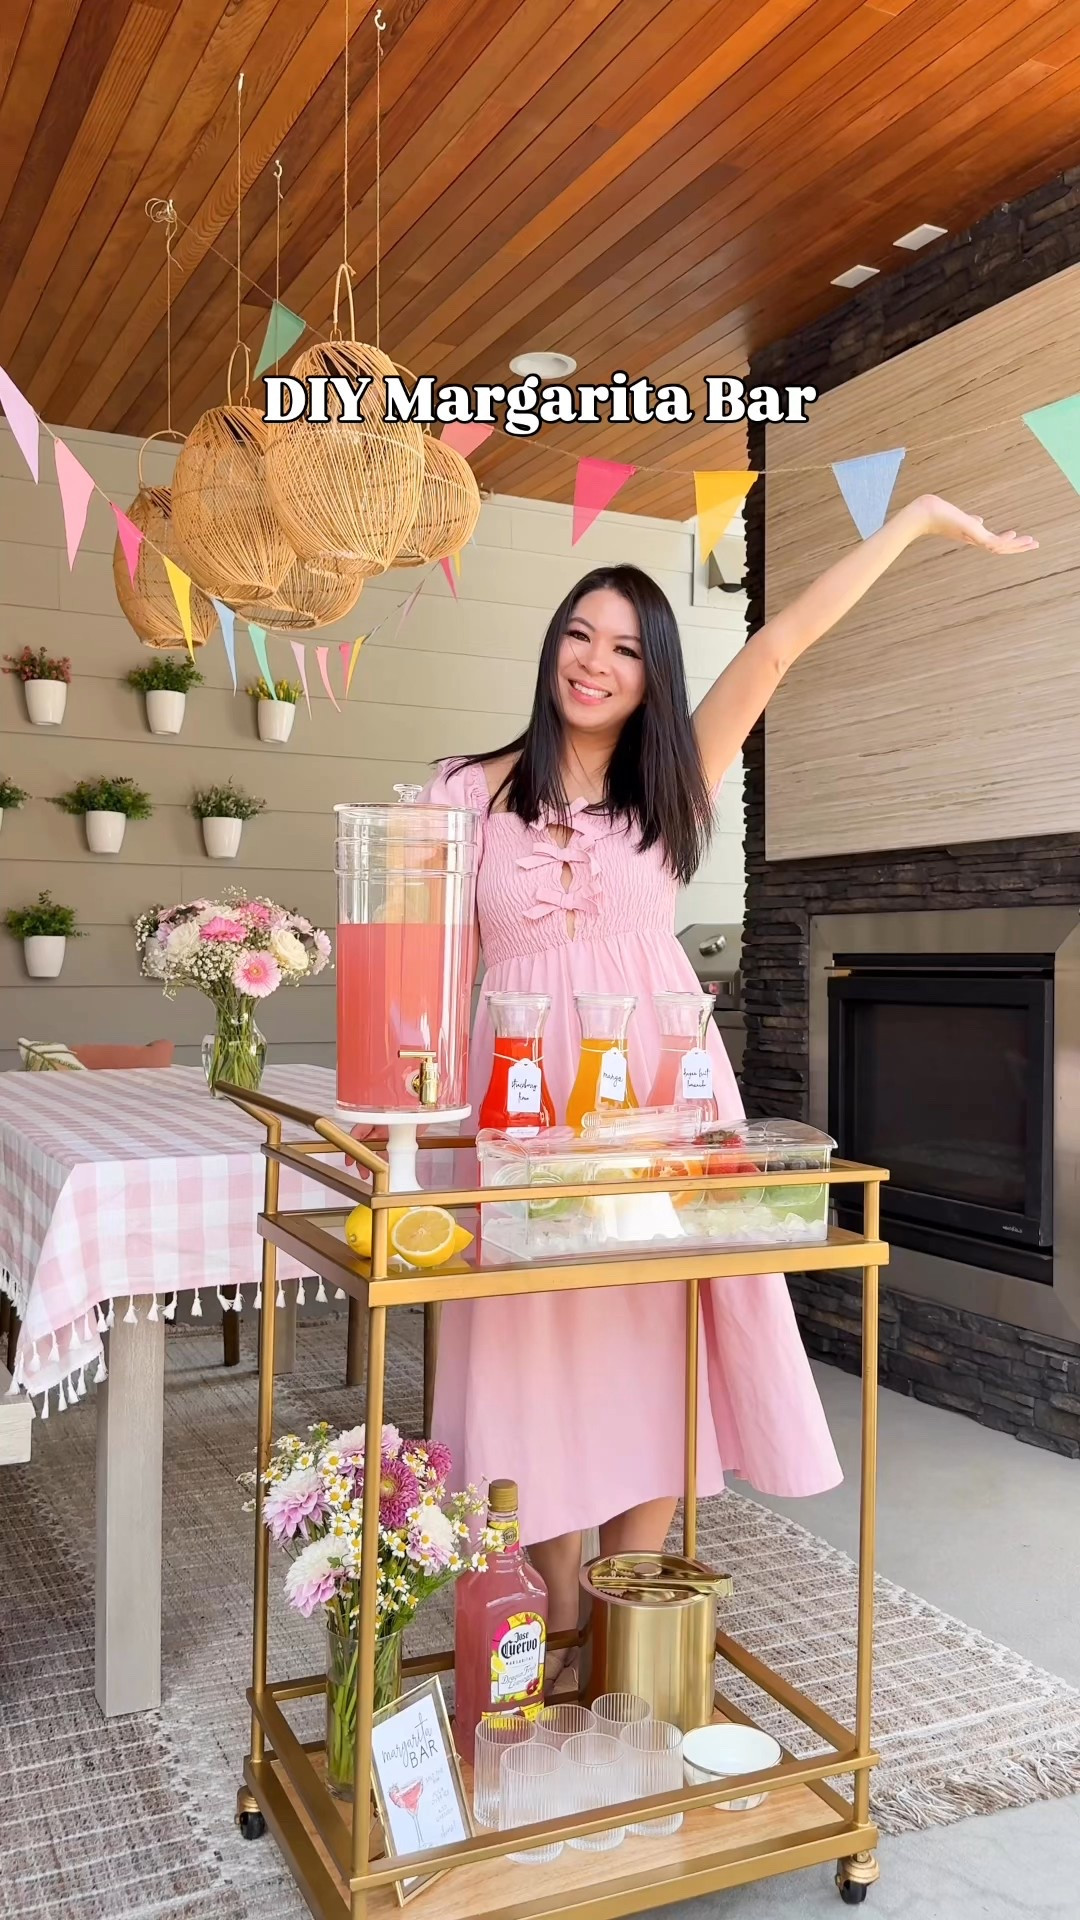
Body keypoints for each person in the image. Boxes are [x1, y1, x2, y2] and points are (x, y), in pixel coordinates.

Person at [421, 493, 1036, 1680]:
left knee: (658, 1337)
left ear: (655, 678)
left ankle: (625, 1610)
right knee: (532, 1350)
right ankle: (546, 1605)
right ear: (549, 645)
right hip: (522, 1113)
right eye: (579, 636)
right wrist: (436, 1141)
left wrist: (911, 523)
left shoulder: (677, 784)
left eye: (627, 649)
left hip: (662, 1105)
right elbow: (435, 980)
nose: (597, 664)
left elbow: (782, 642)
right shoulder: (464, 792)